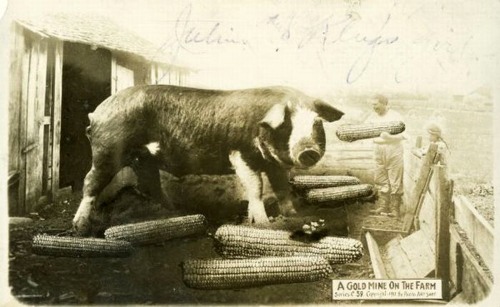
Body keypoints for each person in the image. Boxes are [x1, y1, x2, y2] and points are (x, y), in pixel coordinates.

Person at [364, 95, 406, 218]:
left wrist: (390, 138)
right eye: (372, 105)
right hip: (378, 149)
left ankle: (394, 209)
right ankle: (383, 206)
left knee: (395, 179)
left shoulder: (395, 116)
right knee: (380, 178)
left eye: (376, 104)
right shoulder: (372, 117)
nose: (374, 107)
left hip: (393, 148)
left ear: (384, 104)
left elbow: (404, 135)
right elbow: (364, 131)